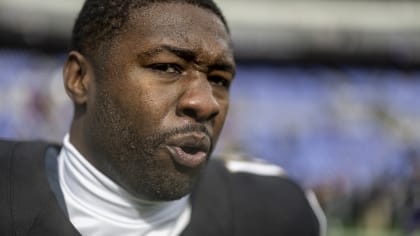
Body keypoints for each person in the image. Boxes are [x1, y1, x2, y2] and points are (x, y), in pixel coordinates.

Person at [0, 0, 325, 235]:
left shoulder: (276, 212)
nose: (205, 103)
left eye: (219, 79)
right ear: (79, 79)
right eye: (166, 67)